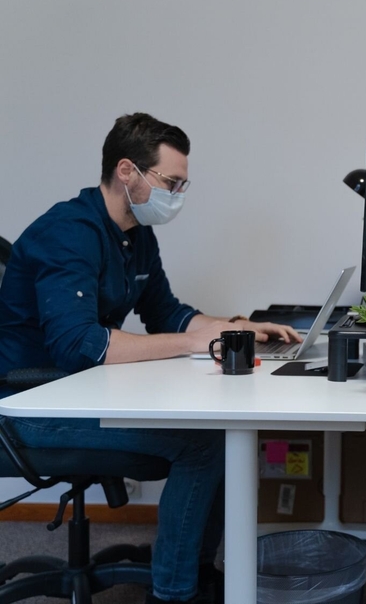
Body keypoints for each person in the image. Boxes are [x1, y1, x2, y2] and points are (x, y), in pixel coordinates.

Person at [0, 113, 301, 603]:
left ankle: (195, 573)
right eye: (171, 182)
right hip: (28, 403)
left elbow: (167, 312)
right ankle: (173, 593)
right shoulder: (68, 232)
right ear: (127, 171)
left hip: (76, 393)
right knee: (202, 446)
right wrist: (197, 342)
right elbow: (81, 346)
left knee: (220, 434)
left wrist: (233, 327)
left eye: (183, 185)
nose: (178, 196)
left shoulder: (136, 235)